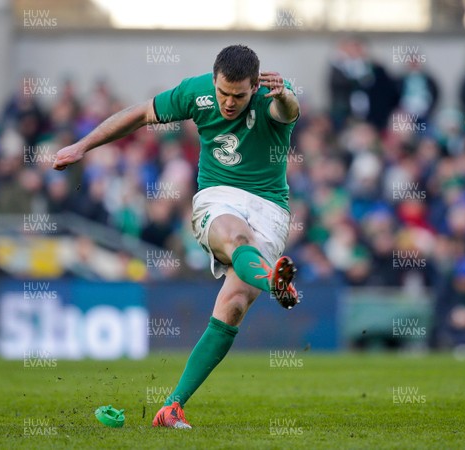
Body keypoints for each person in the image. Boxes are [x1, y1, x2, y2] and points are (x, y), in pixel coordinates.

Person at [53, 45, 301, 427]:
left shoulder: (274, 95)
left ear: (255, 85)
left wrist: (285, 94)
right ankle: (273, 280)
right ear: (214, 79)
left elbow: (288, 112)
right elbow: (140, 114)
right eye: (223, 93)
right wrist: (82, 145)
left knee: (233, 305)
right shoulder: (196, 92)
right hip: (218, 198)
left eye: (239, 95)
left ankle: (172, 407)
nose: (229, 102)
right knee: (236, 239)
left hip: (270, 208)